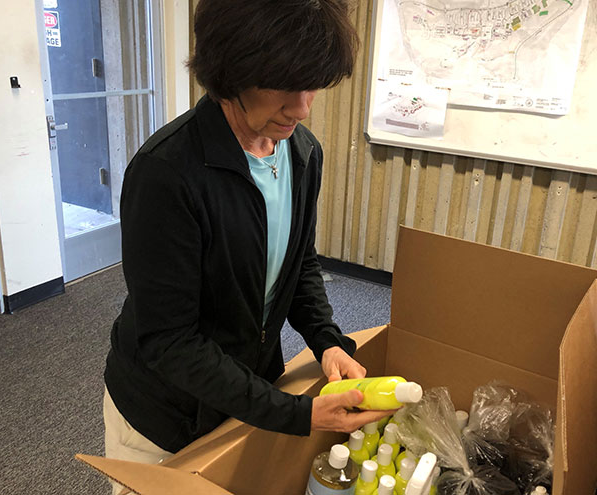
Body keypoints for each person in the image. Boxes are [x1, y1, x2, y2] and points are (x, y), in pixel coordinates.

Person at [102, 1, 390, 492]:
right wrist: (296, 412)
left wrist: (324, 339)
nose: (301, 109)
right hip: (165, 414)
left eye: (312, 86)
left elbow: (298, 263)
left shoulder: (301, 152)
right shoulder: (167, 173)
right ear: (230, 73)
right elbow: (169, 340)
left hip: (246, 388)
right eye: (281, 86)